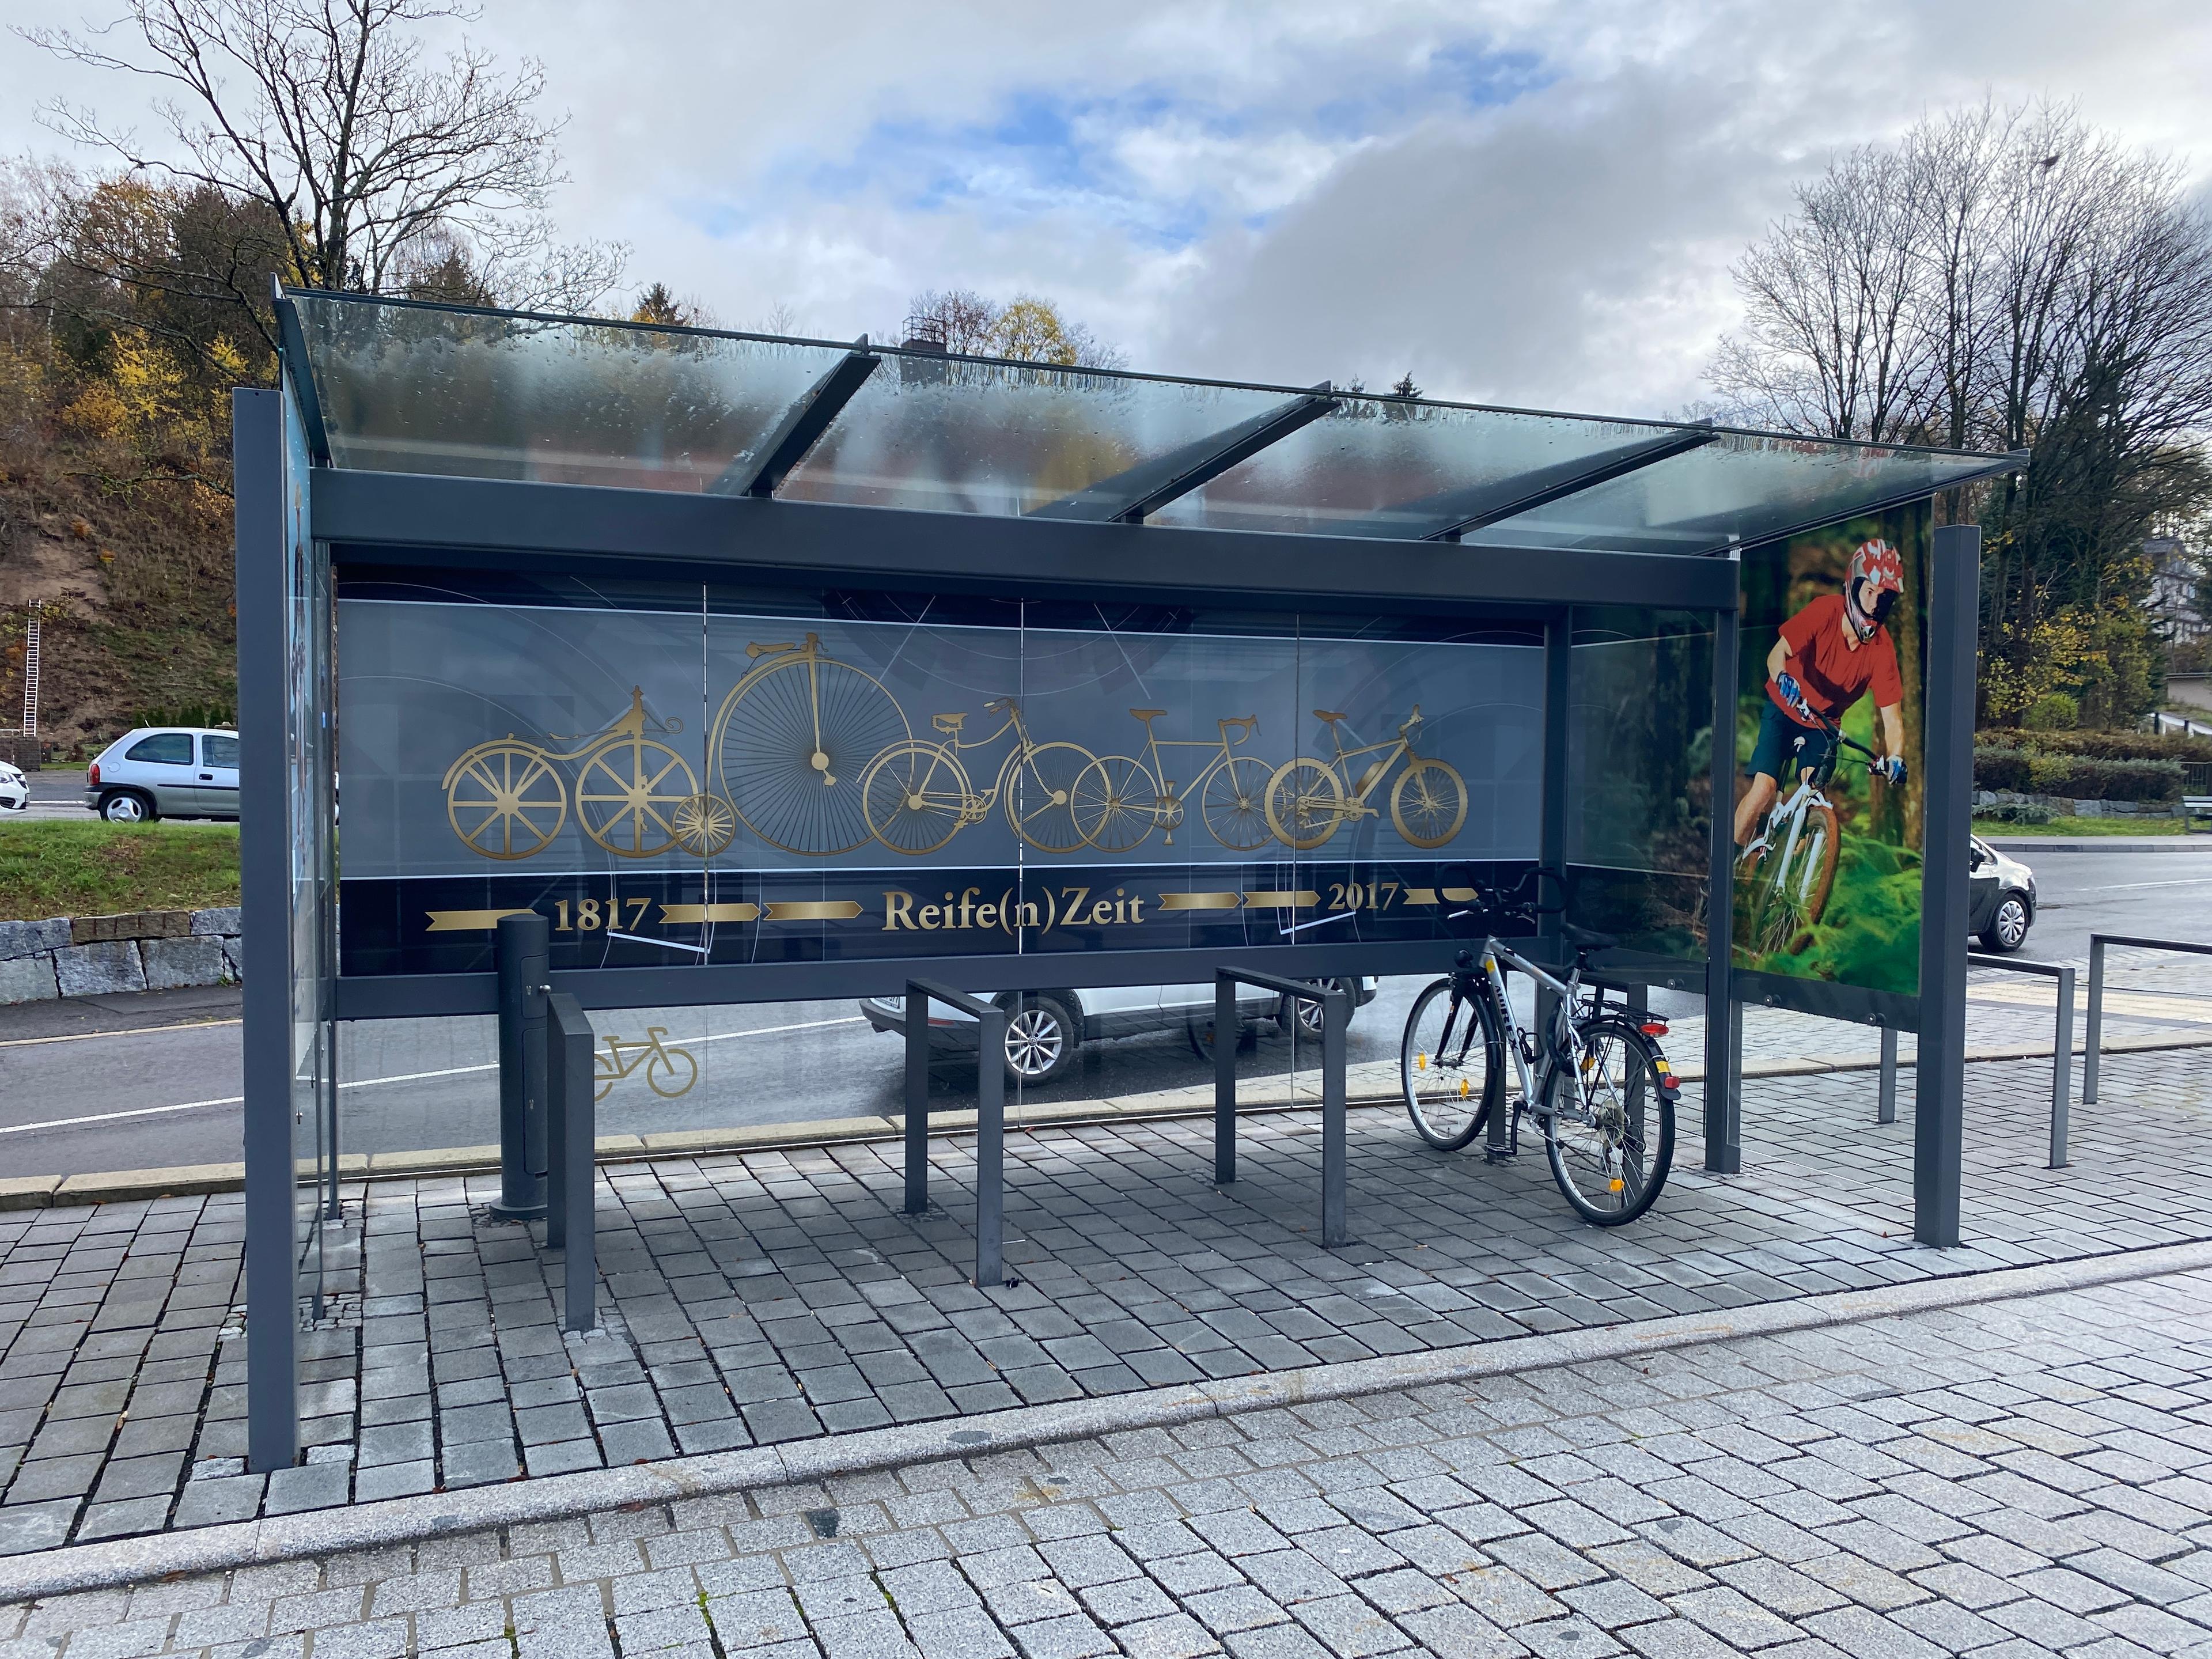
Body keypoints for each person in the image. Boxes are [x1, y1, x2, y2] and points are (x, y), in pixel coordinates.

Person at [1733, 539, 1909, 851]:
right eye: (1869, 592)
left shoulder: (1883, 651)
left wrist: (1895, 757)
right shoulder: (1824, 611)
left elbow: (1892, 718)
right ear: (1853, 587)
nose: (1873, 605)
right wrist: (1784, 677)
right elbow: (1777, 654)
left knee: (1812, 803)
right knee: (1764, 789)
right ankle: (1720, 873)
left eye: (1883, 599)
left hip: (1823, 724)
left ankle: (1786, 884)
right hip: (1785, 705)